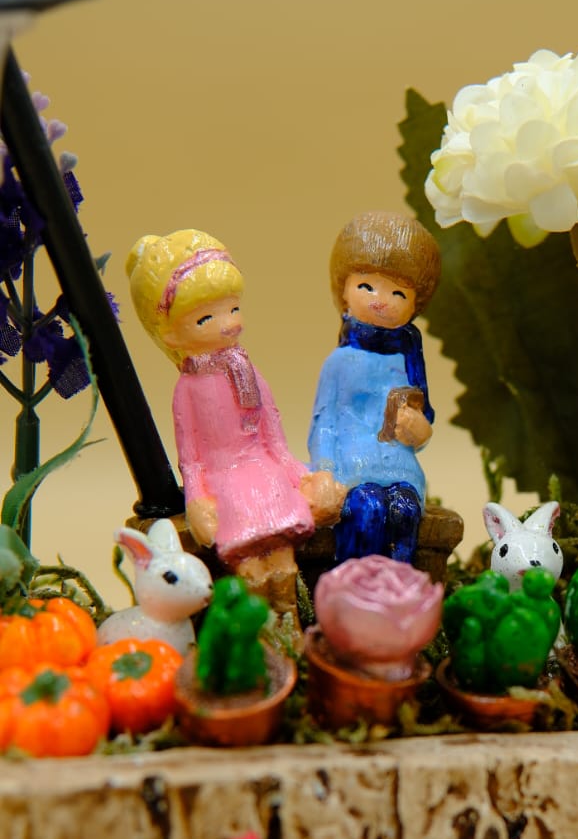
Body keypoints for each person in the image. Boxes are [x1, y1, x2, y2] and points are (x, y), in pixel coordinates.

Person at [127, 229, 343, 613]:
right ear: (170, 334)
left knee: (283, 563)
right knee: (251, 568)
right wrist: (197, 499)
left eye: (233, 309)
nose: (227, 324)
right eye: (206, 318)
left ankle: (290, 624)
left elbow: (273, 437)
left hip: (265, 474)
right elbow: (191, 458)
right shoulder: (188, 389)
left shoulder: (246, 370)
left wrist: (299, 473)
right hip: (226, 483)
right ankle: (257, 628)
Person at [309, 212, 440, 563]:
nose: (381, 300)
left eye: (398, 292)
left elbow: (423, 421)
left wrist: (419, 430)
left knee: (404, 511)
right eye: (367, 286)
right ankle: (354, 582)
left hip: (399, 468)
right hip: (351, 469)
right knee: (366, 508)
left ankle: (397, 584)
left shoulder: (407, 357)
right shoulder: (339, 362)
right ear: (344, 291)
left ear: (415, 305)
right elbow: (324, 424)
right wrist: (324, 471)